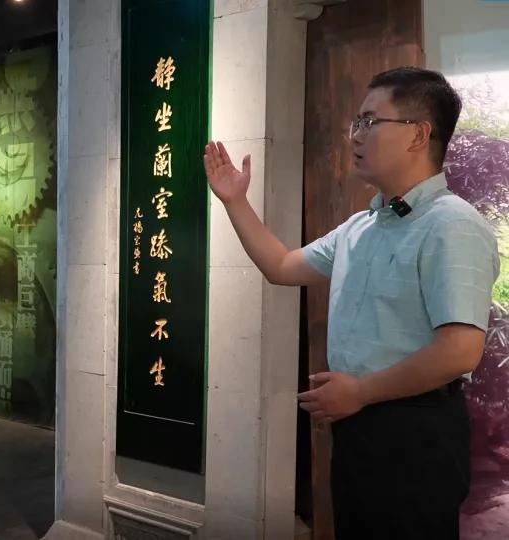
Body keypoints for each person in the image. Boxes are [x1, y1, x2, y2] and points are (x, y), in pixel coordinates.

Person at [204, 67, 498, 539]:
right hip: (357, 425)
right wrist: (235, 201)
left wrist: (360, 391)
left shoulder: (451, 224)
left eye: (370, 121)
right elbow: (281, 266)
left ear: (418, 134)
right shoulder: (361, 226)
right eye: (356, 123)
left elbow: (460, 351)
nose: (355, 135)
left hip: (416, 431)